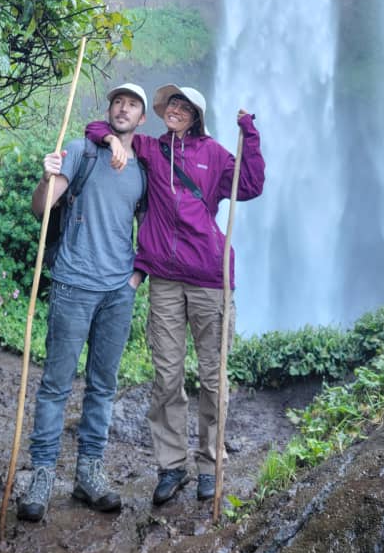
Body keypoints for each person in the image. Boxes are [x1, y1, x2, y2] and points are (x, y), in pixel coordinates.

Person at [85, 84, 264, 506]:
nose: (175, 110)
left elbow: (251, 184)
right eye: (172, 105)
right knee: (166, 377)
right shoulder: (149, 148)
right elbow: (96, 126)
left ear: (196, 115)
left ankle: (209, 466)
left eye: (184, 107)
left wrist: (249, 134)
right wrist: (112, 139)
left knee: (212, 378)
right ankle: (171, 467)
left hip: (209, 279)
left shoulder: (216, 154)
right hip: (164, 279)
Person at [17, 83, 148, 522]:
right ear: (109, 110)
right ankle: (41, 476)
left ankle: (89, 472)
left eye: (132, 104)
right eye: (118, 102)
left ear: (142, 118)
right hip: (74, 283)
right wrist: (46, 174)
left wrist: (136, 276)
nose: (123, 108)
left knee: (103, 386)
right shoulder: (80, 151)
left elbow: (148, 228)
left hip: (117, 292)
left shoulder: (142, 170)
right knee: (56, 383)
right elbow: (42, 208)